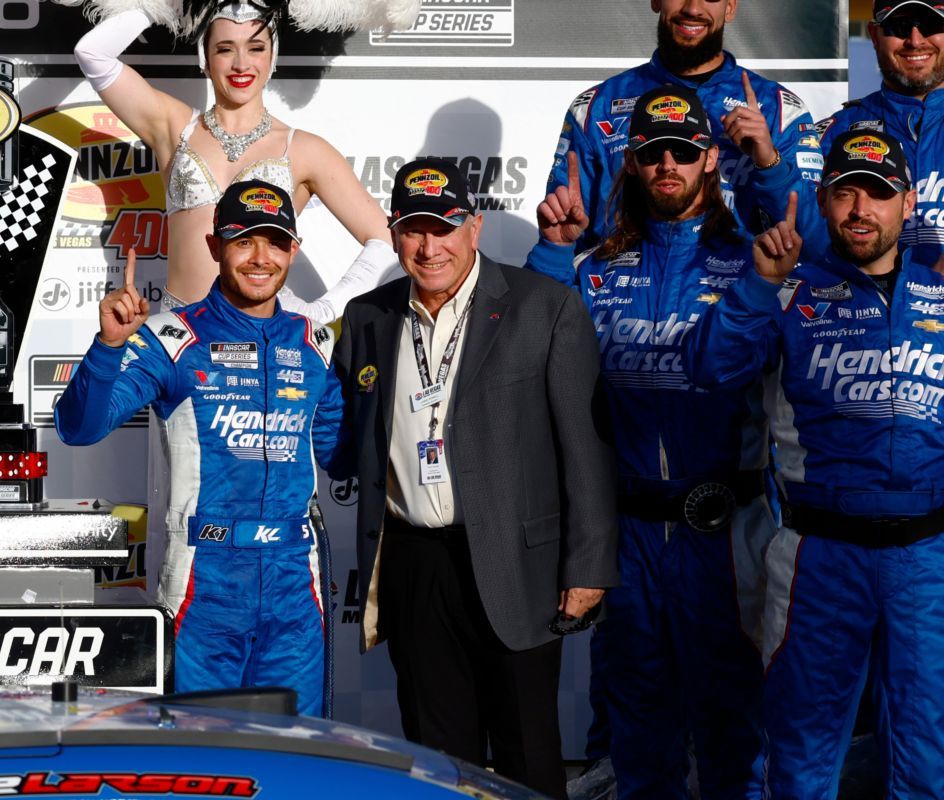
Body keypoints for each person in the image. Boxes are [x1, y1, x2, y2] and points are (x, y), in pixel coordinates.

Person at [333, 157, 619, 797]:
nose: (429, 246)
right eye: (414, 230)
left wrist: (588, 565)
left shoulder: (544, 305)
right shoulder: (367, 317)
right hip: (414, 565)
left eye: (444, 228)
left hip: (518, 564)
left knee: (528, 758)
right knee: (437, 763)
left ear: (475, 227)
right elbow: (344, 436)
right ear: (394, 233)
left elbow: (586, 449)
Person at [530, 86, 772, 800]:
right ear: (631, 162)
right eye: (653, 152)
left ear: (710, 160)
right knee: (639, 738)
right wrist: (554, 252)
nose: (669, 164)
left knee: (734, 736)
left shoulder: (753, 265)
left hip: (725, 536)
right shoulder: (596, 268)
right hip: (629, 534)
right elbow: (534, 355)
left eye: (684, 151)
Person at [686, 130, 944, 799]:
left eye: (878, 194)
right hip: (819, 558)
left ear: (908, 203)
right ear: (824, 200)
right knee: (801, 765)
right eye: (846, 192)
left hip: (928, 559)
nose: (861, 209)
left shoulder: (940, 289)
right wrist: (757, 286)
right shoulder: (790, 289)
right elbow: (708, 370)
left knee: (927, 761)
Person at [54, 179, 349, 717]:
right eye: (243, 241)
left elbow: (340, 455)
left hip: (294, 586)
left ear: (293, 250)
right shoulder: (172, 338)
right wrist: (109, 347)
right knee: (201, 745)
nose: (260, 258)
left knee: (299, 749)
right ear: (215, 247)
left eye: (274, 242)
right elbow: (79, 428)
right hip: (204, 583)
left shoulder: (316, 345)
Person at [62, 0, 399, 320]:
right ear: (205, 57)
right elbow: (92, 54)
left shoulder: (303, 149)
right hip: (179, 339)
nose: (241, 64)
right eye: (225, 49)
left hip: (264, 340)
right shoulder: (173, 127)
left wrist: (324, 310)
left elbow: (386, 239)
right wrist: (168, 5)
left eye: (256, 48)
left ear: (273, 56)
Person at [547, 0, 823, 263]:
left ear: (730, 7)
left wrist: (769, 163)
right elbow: (563, 243)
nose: (692, 8)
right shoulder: (597, 107)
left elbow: (816, 247)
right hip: (621, 290)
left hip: (742, 292)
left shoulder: (779, 110)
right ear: (656, 1)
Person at [815, 1, 944, 265]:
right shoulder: (833, 133)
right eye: (900, 26)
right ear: (874, 35)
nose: (915, 41)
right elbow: (804, 237)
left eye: (931, 25)